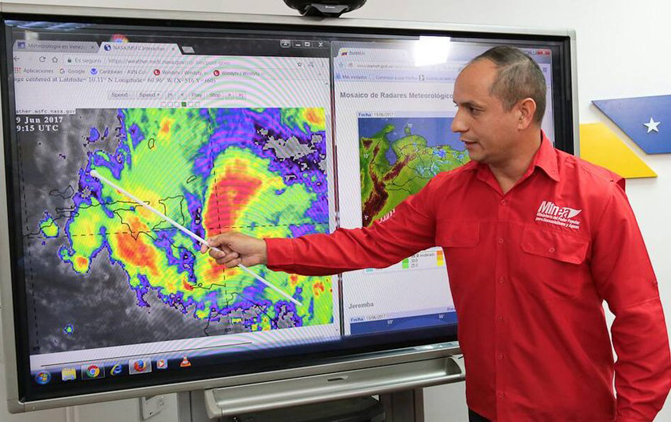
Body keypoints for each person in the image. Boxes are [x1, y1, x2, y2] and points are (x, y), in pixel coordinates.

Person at [201, 46, 671, 421]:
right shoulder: (447, 193)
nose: (457, 124)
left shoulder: (596, 195)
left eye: (473, 109)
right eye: (456, 107)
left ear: (523, 112)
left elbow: (640, 320)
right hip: (487, 409)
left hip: (573, 415)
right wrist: (264, 249)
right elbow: (368, 245)